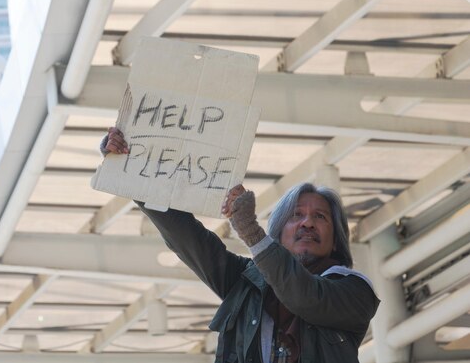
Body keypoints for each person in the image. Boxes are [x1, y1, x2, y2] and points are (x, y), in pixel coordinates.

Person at [101, 127, 379, 363]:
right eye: (296, 215)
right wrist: (131, 169)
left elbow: (304, 296)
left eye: (320, 217)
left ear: (336, 241)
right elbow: (189, 240)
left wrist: (250, 231)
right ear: (278, 234)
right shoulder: (247, 282)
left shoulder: (354, 290)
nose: (307, 223)